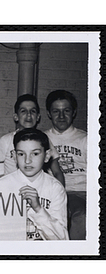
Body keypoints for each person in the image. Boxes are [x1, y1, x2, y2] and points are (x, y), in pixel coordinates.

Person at [0, 128, 69, 240]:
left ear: (46, 156)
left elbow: (62, 239)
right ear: (15, 156)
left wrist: (38, 209)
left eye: (35, 153)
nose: (27, 161)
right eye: (21, 154)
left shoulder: (55, 188)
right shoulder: (1, 185)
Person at [0, 94, 64, 186]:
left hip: (37, 189)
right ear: (16, 117)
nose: (28, 115)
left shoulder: (43, 139)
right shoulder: (7, 139)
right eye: (23, 111)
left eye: (33, 111)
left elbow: (57, 171)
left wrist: (59, 191)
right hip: (12, 191)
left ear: (38, 117)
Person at [45, 90, 87, 240]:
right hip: (51, 192)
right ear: (49, 113)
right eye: (56, 111)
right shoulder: (43, 138)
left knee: (80, 214)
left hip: (80, 191)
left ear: (74, 112)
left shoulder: (85, 139)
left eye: (66, 111)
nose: (61, 116)